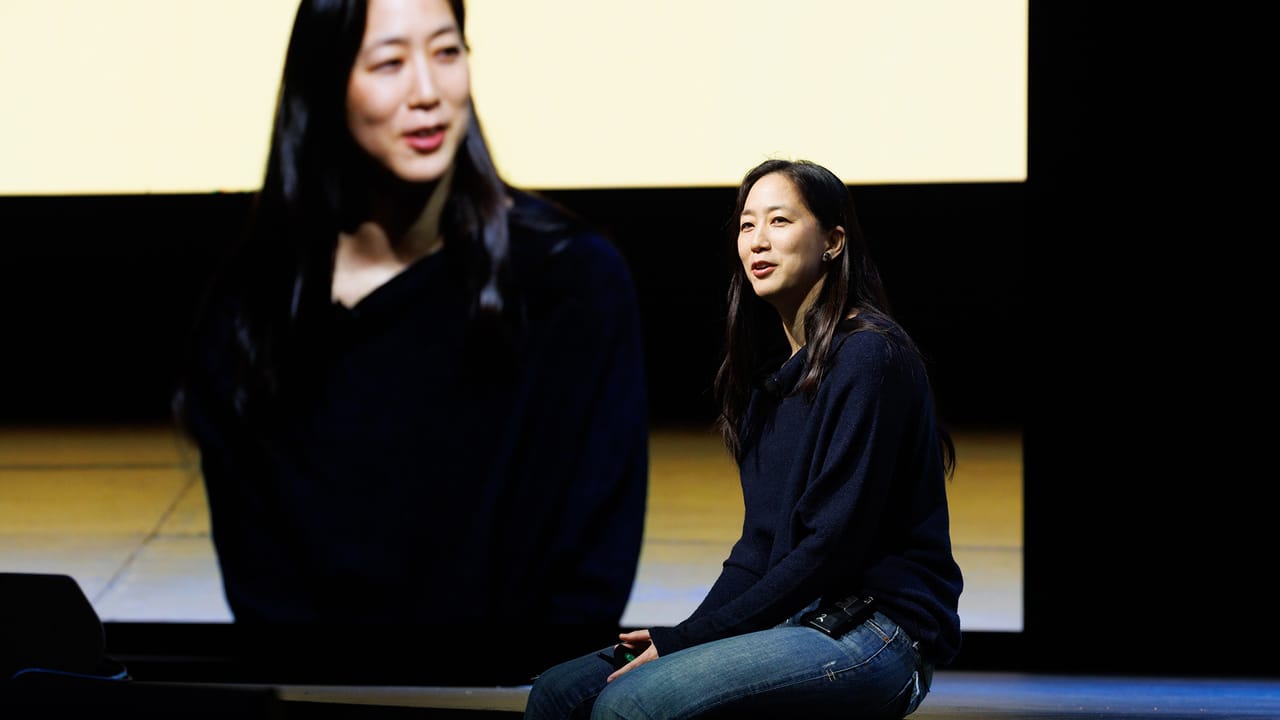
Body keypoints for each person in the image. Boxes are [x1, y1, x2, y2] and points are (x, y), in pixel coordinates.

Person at [172, 0, 648, 681]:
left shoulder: (569, 283)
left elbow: (591, 566)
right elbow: (263, 590)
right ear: (326, 81)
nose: (427, 92)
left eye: (447, 53)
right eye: (390, 63)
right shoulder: (253, 311)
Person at [523, 158, 963, 719]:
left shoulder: (870, 355)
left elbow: (830, 548)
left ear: (832, 241)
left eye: (779, 221)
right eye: (746, 225)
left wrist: (686, 645)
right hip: (799, 618)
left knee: (632, 702)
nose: (758, 241)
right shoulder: (768, 384)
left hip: (875, 631)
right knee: (559, 692)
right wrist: (682, 634)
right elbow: (757, 552)